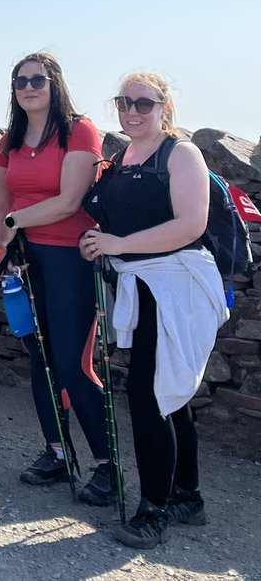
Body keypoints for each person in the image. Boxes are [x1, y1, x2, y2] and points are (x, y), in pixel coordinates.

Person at [80, 73, 226, 548]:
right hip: (140, 286)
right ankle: (188, 497)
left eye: (144, 102)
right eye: (124, 101)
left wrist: (119, 244)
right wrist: (100, 244)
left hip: (177, 288)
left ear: (164, 106)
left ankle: (153, 510)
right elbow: (117, 222)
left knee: (149, 396)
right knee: (170, 394)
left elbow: (191, 224)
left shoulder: (182, 154)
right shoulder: (121, 158)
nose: (133, 111)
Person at [0, 53, 111, 504]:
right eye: (19, 81)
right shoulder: (10, 138)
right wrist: (3, 253)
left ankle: (106, 465)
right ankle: (57, 453)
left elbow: (68, 200)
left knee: (73, 364)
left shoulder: (80, 130)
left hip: (69, 259)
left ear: (54, 84)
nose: (28, 87)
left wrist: (17, 221)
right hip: (23, 261)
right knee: (39, 359)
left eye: (37, 79)